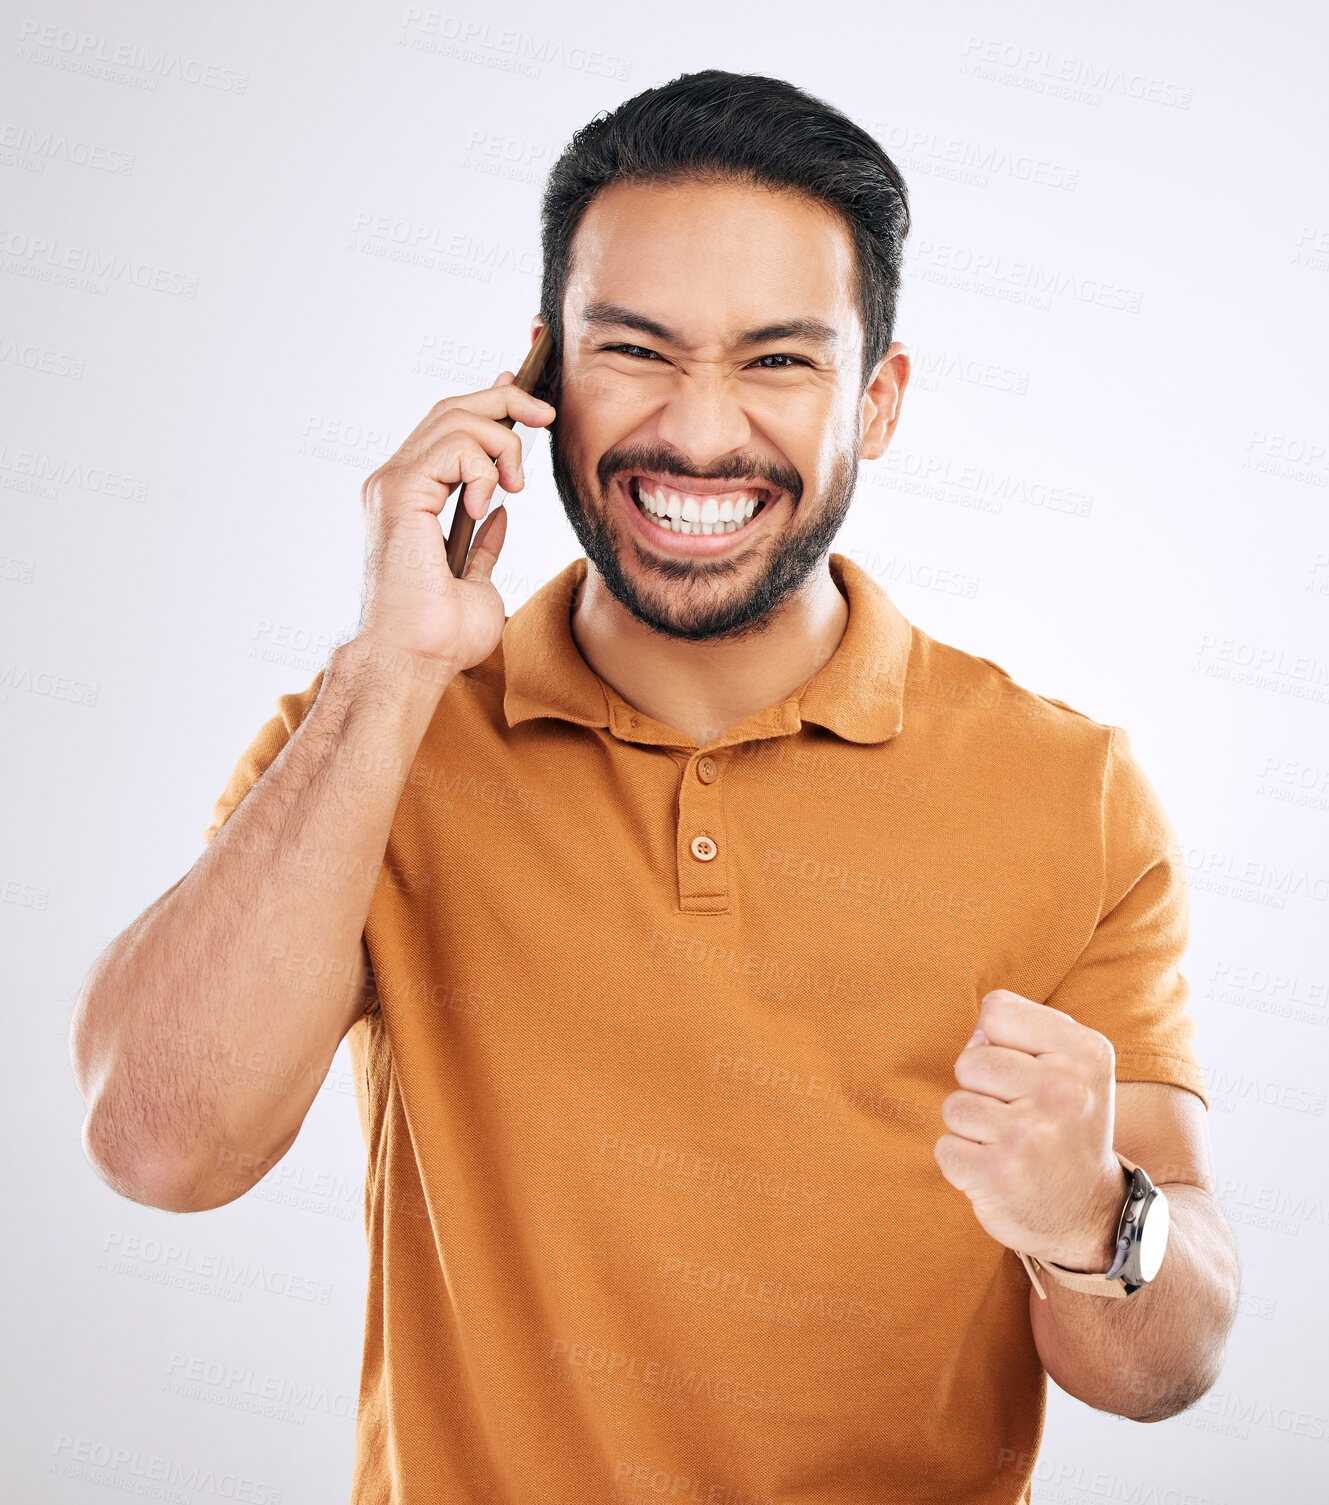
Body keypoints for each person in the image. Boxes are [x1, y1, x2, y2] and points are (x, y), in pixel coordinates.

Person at [70, 69, 1238, 1505]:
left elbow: (1164, 1366)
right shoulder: (375, 738)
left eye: (776, 362)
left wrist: (1086, 1219)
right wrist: (388, 671)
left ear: (876, 403)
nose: (697, 432)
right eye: (636, 350)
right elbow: (154, 1147)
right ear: (541, 373)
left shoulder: (1071, 793)